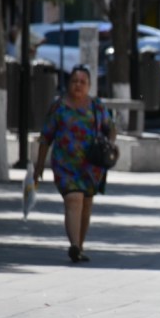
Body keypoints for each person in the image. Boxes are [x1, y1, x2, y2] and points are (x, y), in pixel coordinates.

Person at [34, 66, 116, 263]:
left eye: (82, 82)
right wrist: (38, 166)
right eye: (74, 81)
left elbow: (110, 128)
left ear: (89, 85)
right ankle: (74, 245)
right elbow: (45, 138)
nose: (78, 85)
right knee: (74, 199)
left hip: (91, 166)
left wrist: (109, 145)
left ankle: (79, 246)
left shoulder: (96, 106)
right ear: (68, 84)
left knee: (86, 205)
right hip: (65, 164)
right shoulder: (59, 107)